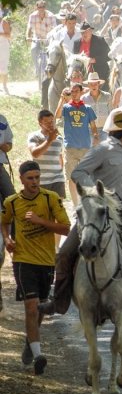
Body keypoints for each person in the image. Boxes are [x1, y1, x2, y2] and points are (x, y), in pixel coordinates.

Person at [38, 110, 122, 327]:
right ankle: (58, 300)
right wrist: (96, 192)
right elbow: (78, 173)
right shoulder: (102, 150)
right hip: (99, 215)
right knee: (65, 253)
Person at [1, 161, 70, 375]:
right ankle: (39, 355)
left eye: (37, 178)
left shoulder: (50, 199)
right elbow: (4, 221)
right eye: (30, 178)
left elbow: (66, 228)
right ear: (21, 179)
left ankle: (31, 341)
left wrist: (42, 221)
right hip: (23, 261)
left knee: (39, 309)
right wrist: (7, 239)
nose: (34, 182)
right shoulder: (12, 202)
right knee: (31, 307)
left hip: (47, 261)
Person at [56, 83, 99, 205]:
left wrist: (96, 136)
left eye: (76, 91)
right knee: (71, 177)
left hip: (85, 146)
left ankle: (88, 202)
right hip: (70, 147)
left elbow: (93, 125)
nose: (74, 93)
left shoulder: (87, 108)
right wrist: (62, 99)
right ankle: (76, 205)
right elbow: (57, 116)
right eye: (72, 91)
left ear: (81, 92)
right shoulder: (66, 107)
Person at [27, 110, 65, 200]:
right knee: (43, 209)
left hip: (57, 179)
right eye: (46, 122)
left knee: (58, 208)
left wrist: (61, 173)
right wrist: (49, 140)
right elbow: (34, 153)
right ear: (40, 123)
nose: (50, 124)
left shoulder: (59, 138)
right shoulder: (34, 136)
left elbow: (60, 157)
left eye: (52, 121)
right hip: (41, 180)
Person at [73, 22, 111, 87]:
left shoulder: (100, 40)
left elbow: (108, 55)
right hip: (81, 76)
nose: (84, 34)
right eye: (82, 32)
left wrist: (94, 60)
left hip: (99, 73)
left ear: (91, 31)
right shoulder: (77, 43)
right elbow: (74, 59)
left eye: (86, 32)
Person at [81, 72, 111, 139]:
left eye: (95, 84)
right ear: (88, 85)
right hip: (89, 130)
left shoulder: (107, 96)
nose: (93, 86)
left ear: (98, 84)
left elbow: (111, 113)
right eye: (91, 84)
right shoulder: (83, 98)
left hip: (105, 129)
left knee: (105, 149)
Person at [0, 10, 11, 94]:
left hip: (3, 46)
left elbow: (9, 36)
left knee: (3, 67)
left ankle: (4, 86)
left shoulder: (4, 23)